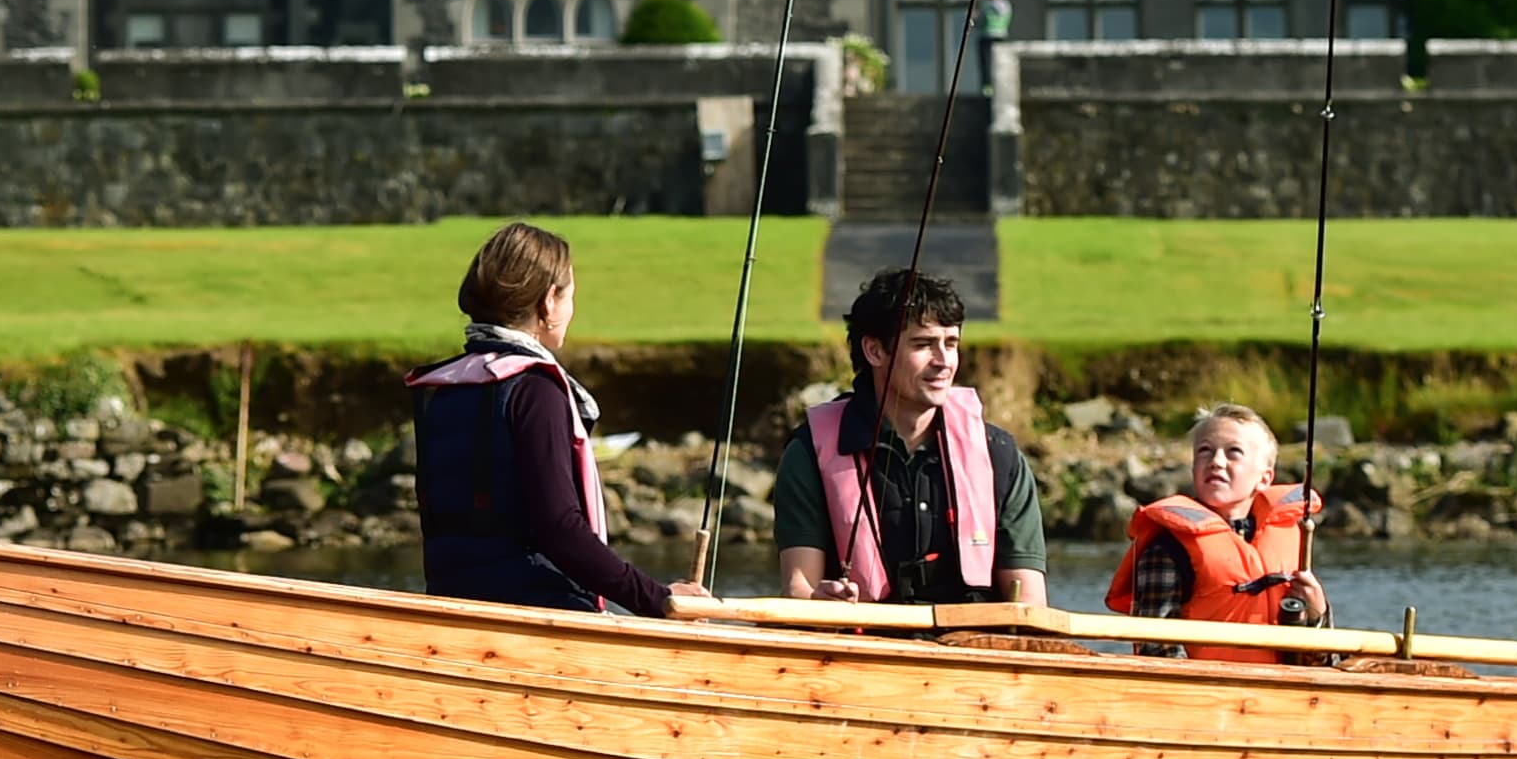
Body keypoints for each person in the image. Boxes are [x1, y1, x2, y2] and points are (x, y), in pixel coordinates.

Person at [412, 221, 712, 618]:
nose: (572, 309)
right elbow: (560, 530)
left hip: (449, 609)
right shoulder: (534, 389)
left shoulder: (443, 388)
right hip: (536, 613)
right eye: (570, 294)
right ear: (549, 302)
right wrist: (658, 600)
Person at [772, 265, 1049, 611]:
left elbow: (1031, 604)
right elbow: (799, 589)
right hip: (858, 653)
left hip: (971, 655)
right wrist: (820, 598)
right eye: (924, 344)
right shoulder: (809, 452)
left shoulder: (1000, 456)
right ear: (874, 351)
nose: (944, 361)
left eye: (951, 343)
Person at [1106, 403, 1330, 658]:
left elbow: (1323, 663)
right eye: (1205, 451)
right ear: (1193, 468)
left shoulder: (1293, 545)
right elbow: (1156, 650)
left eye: (1234, 452)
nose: (1216, 462)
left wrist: (1317, 614)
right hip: (1203, 693)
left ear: (1265, 479)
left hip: (1277, 692)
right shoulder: (1168, 547)